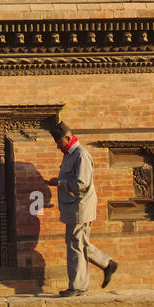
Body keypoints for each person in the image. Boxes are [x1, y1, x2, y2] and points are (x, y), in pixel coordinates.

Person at [49, 122, 118, 296]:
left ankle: (78, 287)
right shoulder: (69, 155)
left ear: (67, 137)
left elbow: (82, 183)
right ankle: (107, 263)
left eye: (59, 142)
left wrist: (60, 183)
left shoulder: (81, 155)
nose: (58, 146)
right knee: (78, 243)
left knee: (76, 245)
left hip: (80, 206)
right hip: (72, 207)